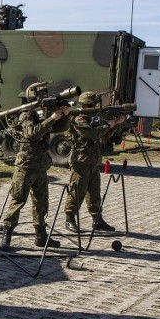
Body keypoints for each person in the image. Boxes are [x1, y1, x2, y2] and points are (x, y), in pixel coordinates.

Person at [0, 82, 71, 252]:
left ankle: (41, 235)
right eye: (42, 94)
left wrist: (65, 114)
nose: (45, 97)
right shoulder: (27, 113)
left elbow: (62, 127)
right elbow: (31, 134)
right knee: (18, 200)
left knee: (41, 202)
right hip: (26, 165)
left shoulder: (43, 113)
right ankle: (7, 234)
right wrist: (52, 118)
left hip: (40, 165)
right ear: (34, 96)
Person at [63, 91, 126, 233]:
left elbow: (103, 137)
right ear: (88, 105)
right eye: (94, 104)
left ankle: (97, 220)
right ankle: (69, 219)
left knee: (94, 193)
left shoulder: (93, 119)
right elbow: (91, 134)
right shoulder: (79, 119)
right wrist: (109, 125)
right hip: (80, 160)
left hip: (92, 160)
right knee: (77, 191)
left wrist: (115, 124)